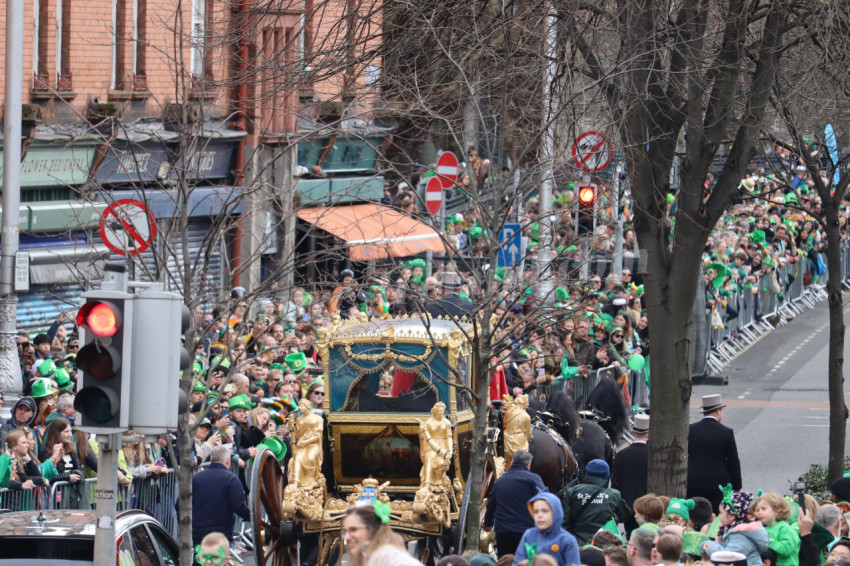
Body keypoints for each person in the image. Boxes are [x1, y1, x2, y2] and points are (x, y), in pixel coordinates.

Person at [483, 450, 546, 558]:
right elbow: (544, 501)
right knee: (530, 563)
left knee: (506, 562)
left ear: (512, 462)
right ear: (528, 465)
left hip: (504, 533)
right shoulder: (534, 479)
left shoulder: (500, 481)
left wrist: (488, 524)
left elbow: (491, 505)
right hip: (528, 533)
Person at [687, 394, 742, 512]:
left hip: (693, 480)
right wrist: (737, 486)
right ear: (718, 411)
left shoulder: (691, 430)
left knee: (695, 513)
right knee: (716, 514)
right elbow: (733, 461)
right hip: (718, 483)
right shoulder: (726, 432)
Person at [561, 459, 632, 545]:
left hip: (577, 545)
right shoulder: (614, 495)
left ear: (587, 473)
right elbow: (625, 515)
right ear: (607, 475)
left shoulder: (572, 492)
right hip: (604, 545)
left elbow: (564, 522)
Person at [191, 445, 251, 546]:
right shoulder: (231, 480)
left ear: (211, 459)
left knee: (200, 560)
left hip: (198, 533)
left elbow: (179, 504)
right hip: (221, 534)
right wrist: (254, 518)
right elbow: (239, 506)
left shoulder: (195, 478)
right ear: (228, 461)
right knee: (217, 560)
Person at [341, 503, 423, 566]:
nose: (347, 537)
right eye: (345, 531)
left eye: (353, 530)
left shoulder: (389, 557)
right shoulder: (368, 555)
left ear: (372, 529)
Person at [512, 490, 580, 566]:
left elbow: (574, 564)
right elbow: (518, 562)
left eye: (544, 511)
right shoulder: (529, 535)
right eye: (536, 511)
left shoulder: (567, 540)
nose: (539, 515)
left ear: (556, 512)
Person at [702, 490, 768, 566]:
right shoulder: (728, 530)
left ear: (731, 517)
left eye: (721, 513)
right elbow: (719, 546)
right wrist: (707, 544)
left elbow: (727, 557)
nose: (719, 516)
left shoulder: (741, 537)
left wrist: (709, 547)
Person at [611, 413, 649, 535]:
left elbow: (614, 483)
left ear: (632, 433)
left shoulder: (621, 455)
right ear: (648, 434)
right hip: (647, 505)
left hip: (627, 506)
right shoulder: (653, 456)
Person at [753, 492, 799, 566]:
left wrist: (767, 540)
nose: (759, 512)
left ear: (776, 510)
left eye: (763, 509)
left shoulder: (784, 528)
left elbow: (786, 550)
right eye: (758, 510)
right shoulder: (764, 529)